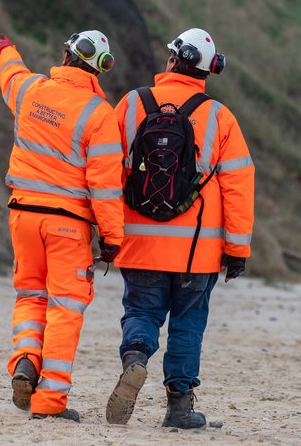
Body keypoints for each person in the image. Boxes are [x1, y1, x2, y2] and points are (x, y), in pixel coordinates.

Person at [105, 28, 254, 429]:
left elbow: (105, 171)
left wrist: (106, 234)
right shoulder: (220, 117)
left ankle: (135, 359)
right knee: (188, 323)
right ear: (210, 71)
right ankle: (179, 407)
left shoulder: (132, 104)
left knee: (140, 311)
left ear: (172, 60)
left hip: (139, 244)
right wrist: (237, 250)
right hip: (197, 253)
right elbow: (239, 186)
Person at [0, 30, 125, 422]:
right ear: (100, 70)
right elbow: (105, 185)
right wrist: (113, 239)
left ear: (65, 55)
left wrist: (6, 48)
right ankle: (49, 401)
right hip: (68, 225)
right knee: (66, 308)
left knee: (30, 295)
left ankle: (26, 359)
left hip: (22, 214)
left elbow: (10, 73)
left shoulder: (31, 90)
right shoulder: (99, 115)